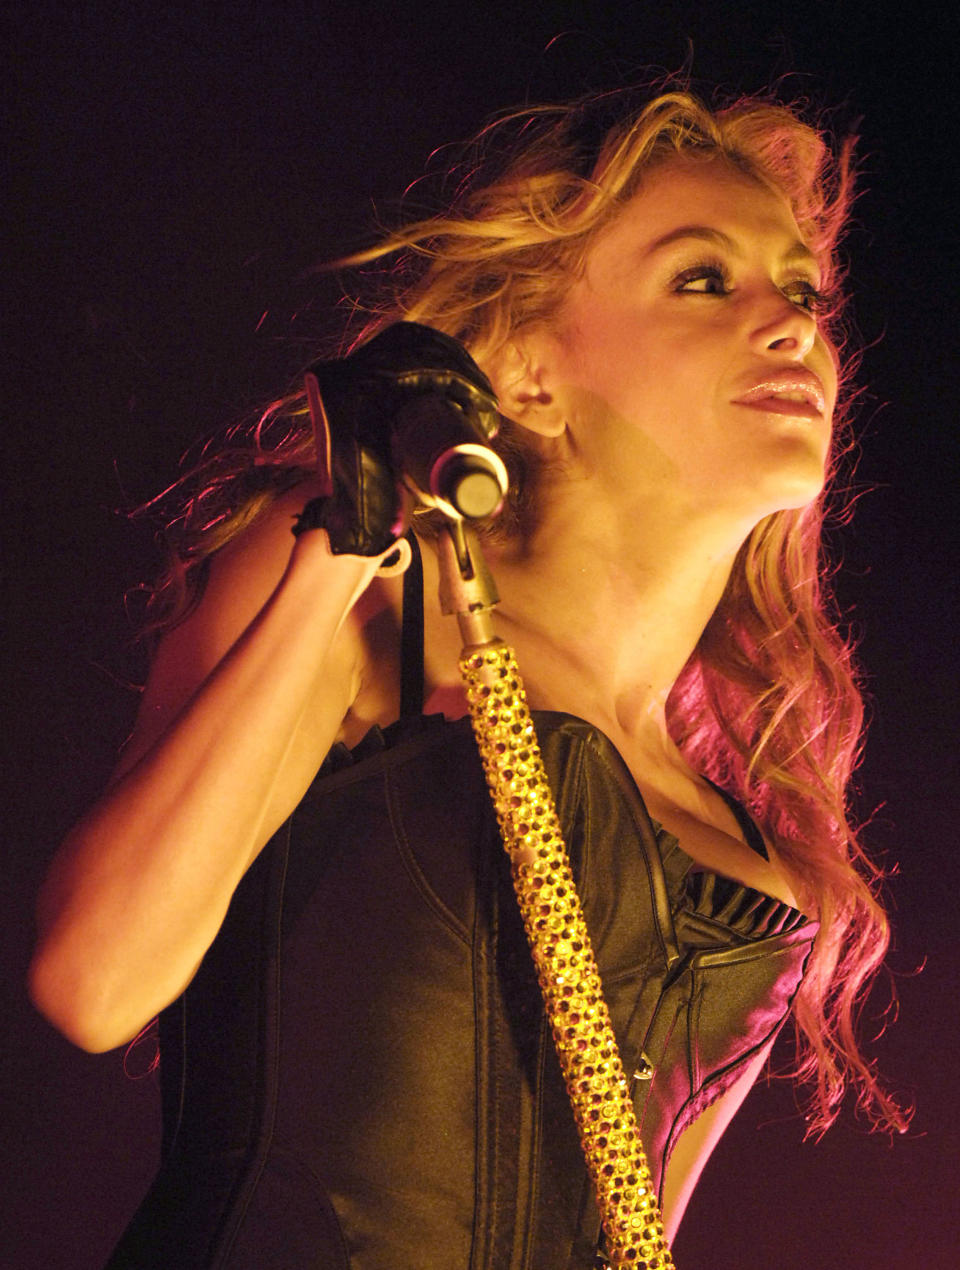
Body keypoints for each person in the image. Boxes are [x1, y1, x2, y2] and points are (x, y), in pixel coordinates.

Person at [28, 85, 906, 1268]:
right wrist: (340, 547)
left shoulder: (752, 843)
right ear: (532, 374)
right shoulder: (375, 598)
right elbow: (96, 979)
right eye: (705, 278)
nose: (790, 323)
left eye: (801, 289)